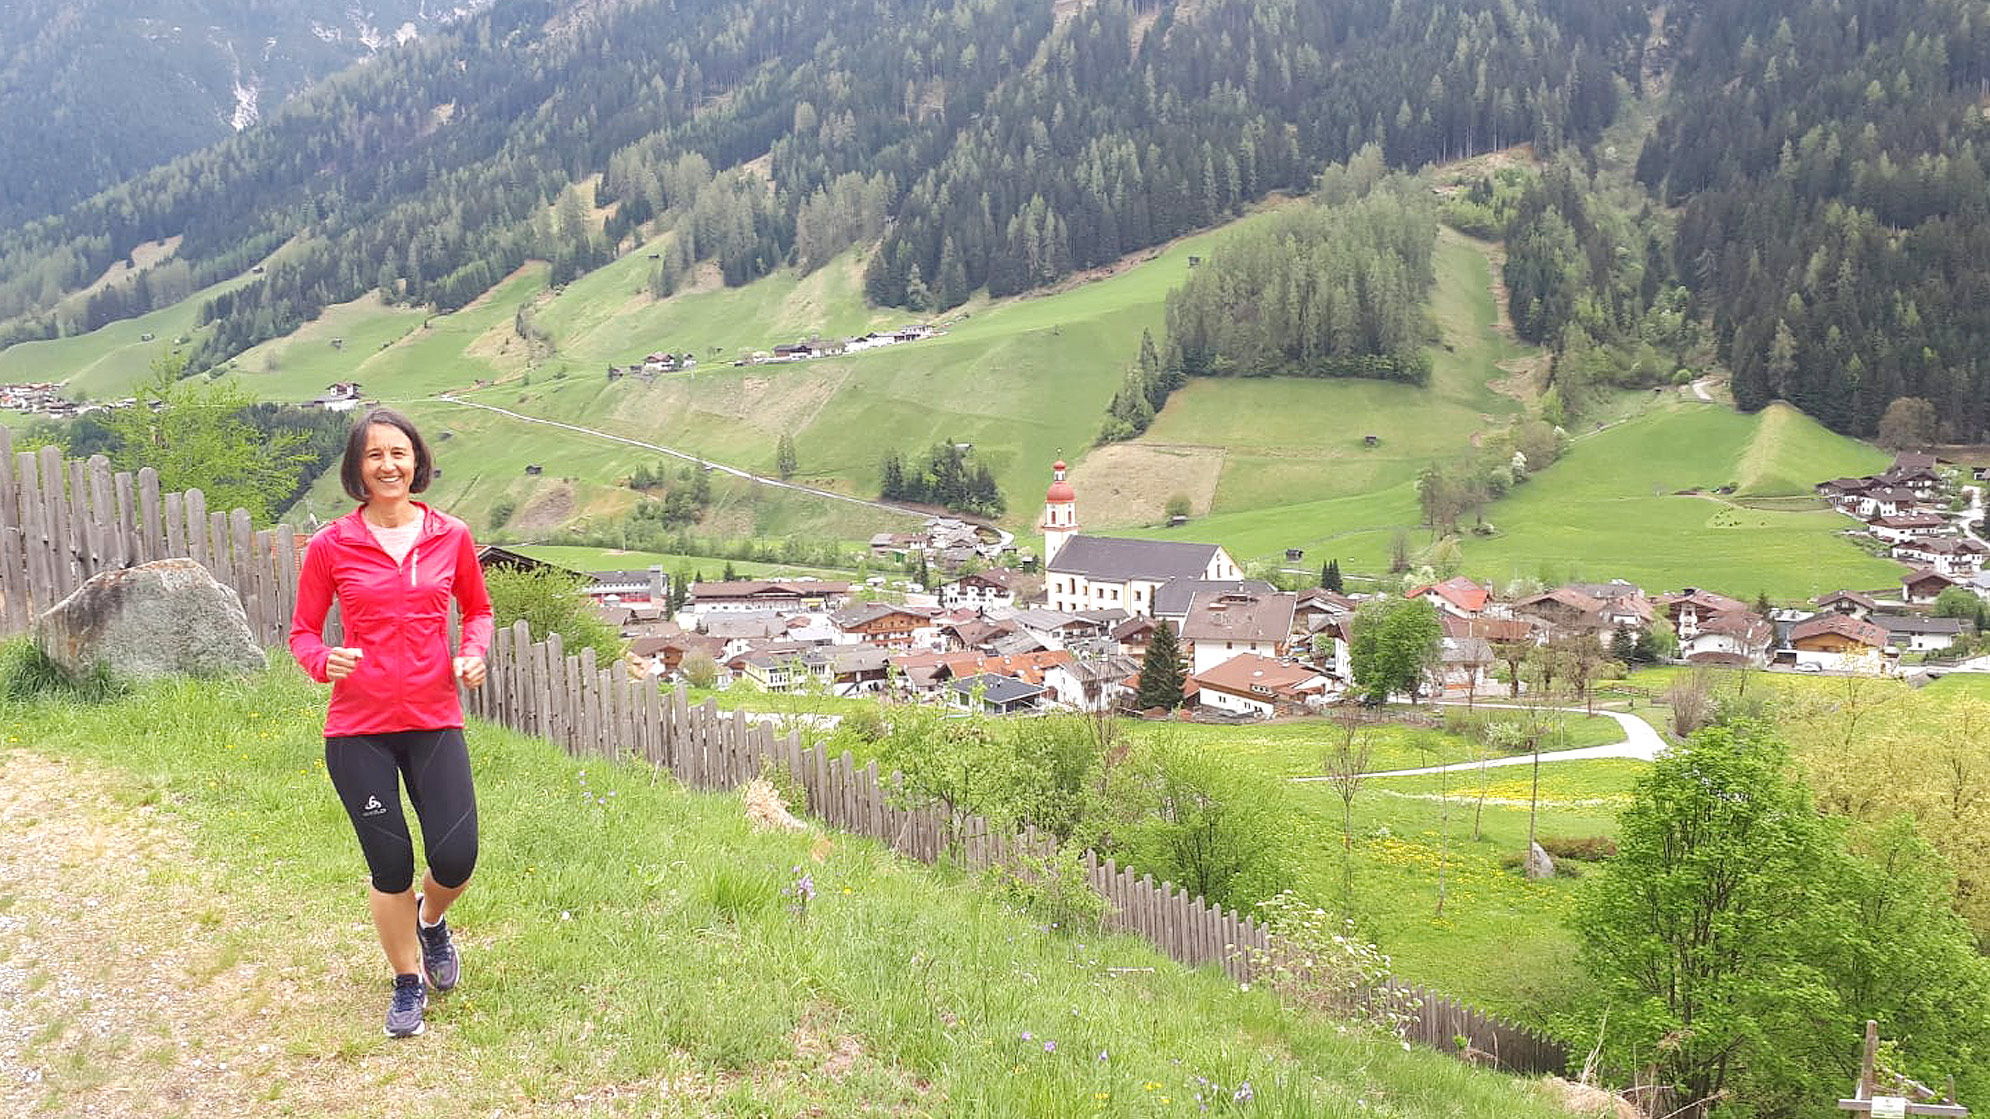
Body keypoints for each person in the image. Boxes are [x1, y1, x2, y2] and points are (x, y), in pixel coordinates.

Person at [289, 407, 494, 1039]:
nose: (388, 465)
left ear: (417, 461)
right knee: (391, 866)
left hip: (434, 717)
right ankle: (407, 982)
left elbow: (479, 610)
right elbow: (300, 633)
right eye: (374, 455)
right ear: (357, 469)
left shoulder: (450, 535)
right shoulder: (332, 544)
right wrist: (327, 660)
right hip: (359, 730)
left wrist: (473, 653)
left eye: (398, 453)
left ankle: (431, 922)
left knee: (456, 858)